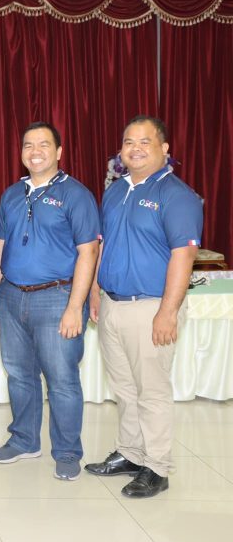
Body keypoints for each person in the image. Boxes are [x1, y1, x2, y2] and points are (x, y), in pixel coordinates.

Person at [85, 116, 202, 498]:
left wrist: (168, 312)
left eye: (144, 142)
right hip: (113, 304)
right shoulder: (116, 191)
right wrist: (95, 290)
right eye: (128, 142)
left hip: (151, 308)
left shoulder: (176, 194)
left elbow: (183, 255)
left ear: (164, 148)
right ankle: (131, 453)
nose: (135, 149)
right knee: (125, 389)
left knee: (151, 391)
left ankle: (157, 467)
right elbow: (103, 245)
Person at [0, 122, 99, 480]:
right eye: (28, 145)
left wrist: (75, 307)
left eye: (43, 144)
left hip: (57, 298)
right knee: (20, 375)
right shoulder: (11, 194)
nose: (35, 151)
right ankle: (24, 440)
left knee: (62, 379)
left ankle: (67, 452)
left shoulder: (76, 195)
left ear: (59, 151)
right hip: (11, 296)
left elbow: (88, 252)